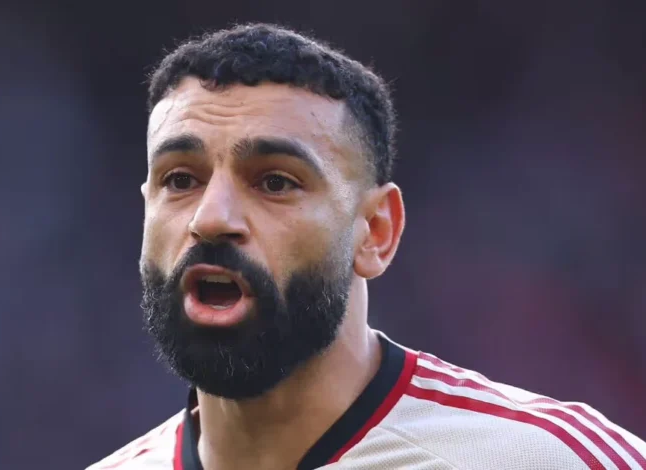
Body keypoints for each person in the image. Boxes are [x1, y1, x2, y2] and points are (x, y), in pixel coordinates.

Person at [87, 23, 646, 470]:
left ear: (376, 231)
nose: (211, 219)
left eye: (275, 181)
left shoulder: (546, 459)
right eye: (180, 179)